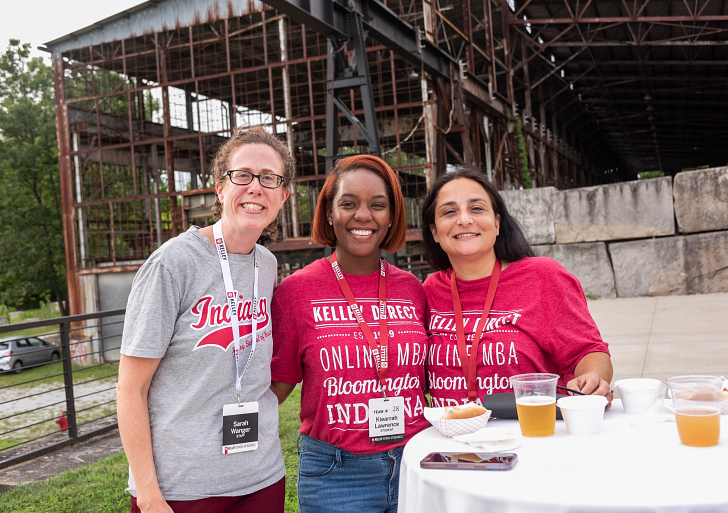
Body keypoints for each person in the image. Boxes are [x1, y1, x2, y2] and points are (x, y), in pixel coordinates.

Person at [116, 127, 294, 513]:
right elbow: (130, 389)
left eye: (269, 178)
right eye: (242, 175)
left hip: (261, 477)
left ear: (283, 195)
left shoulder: (266, 264)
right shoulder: (173, 263)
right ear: (219, 188)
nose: (255, 187)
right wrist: (147, 493)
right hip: (182, 486)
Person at [271, 155, 430, 513]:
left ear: (391, 217)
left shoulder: (412, 289)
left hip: (417, 461)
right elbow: (276, 387)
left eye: (378, 205)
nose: (363, 215)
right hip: (337, 476)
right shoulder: (296, 292)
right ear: (329, 212)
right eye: (348, 203)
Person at [421, 168, 612, 407]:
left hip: (529, 434)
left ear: (497, 223)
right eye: (449, 212)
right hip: (451, 437)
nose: (464, 220)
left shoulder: (542, 276)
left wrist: (592, 378)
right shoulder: (429, 291)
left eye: (477, 208)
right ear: (434, 232)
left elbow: (588, 352)